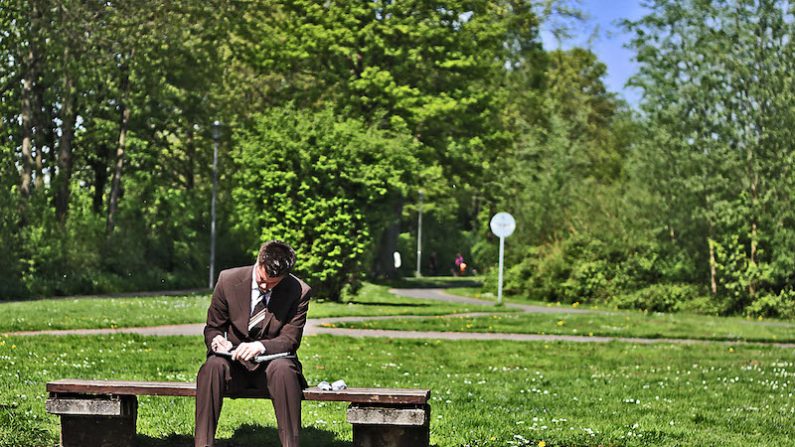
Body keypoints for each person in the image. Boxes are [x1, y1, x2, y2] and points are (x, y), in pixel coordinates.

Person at [195, 240, 311, 447]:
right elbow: (212, 327)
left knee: (285, 370)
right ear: (258, 261)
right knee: (212, 367)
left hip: (272, 367)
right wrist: (216, 340)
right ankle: (203, 443)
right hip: (233, 365)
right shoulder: (228, 280)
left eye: (273, 284)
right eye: (262, 280)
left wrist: (261, 346)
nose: (265, 287)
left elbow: (290, 339)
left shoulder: (299, 291)